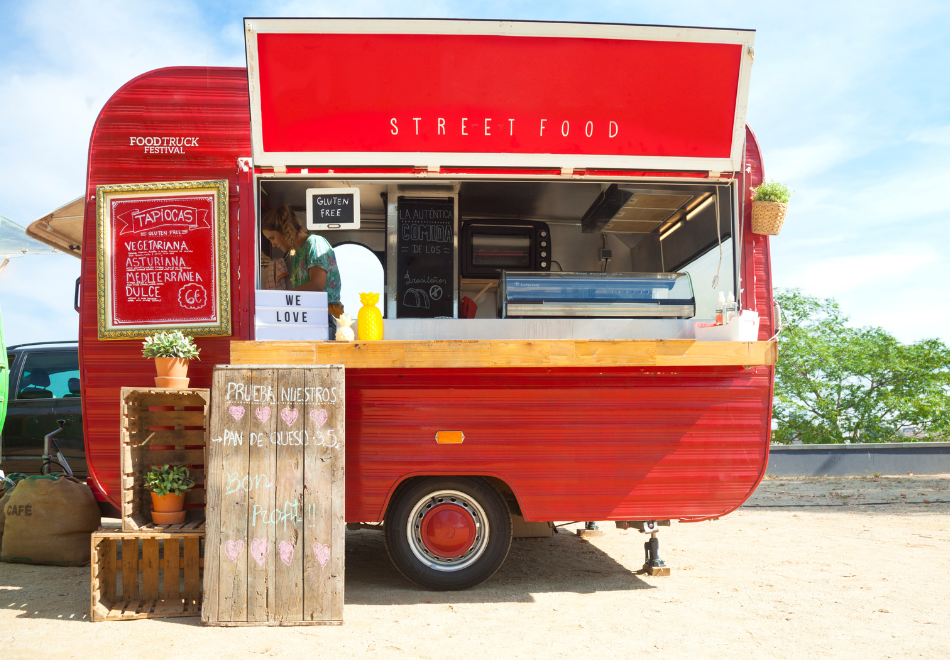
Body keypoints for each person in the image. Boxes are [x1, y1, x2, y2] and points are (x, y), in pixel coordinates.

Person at [261, 205, 344, 331]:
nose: (272, 244)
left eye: (272, 237)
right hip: (309, 315)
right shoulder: (295, 254)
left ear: (284, 230)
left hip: (326, 314)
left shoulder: (315, 243)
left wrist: (279, 297)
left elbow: (317, 284)